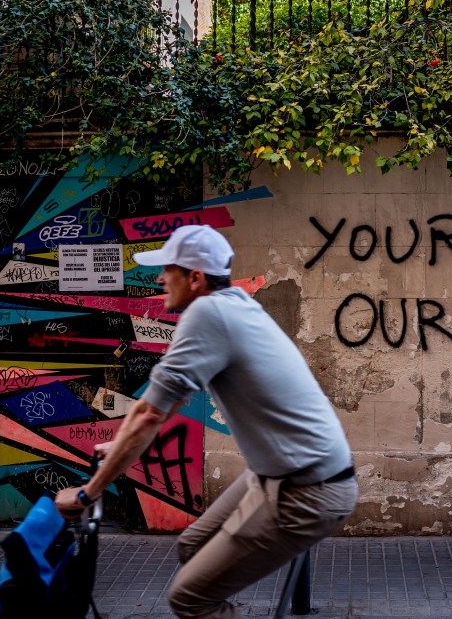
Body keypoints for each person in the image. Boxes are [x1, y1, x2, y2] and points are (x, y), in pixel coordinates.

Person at [55, 224, 357, 618]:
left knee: (189, 598)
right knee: (192, 547)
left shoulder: (207, 313)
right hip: (278, 476)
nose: (160, 278)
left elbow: (148, 413)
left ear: (195, 277)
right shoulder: (234, 304)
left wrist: (87, 493)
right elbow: (169, 400)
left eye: (169, 269)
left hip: (307, 491)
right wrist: (123, 446)